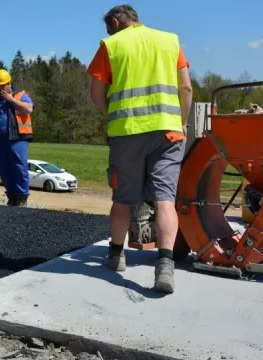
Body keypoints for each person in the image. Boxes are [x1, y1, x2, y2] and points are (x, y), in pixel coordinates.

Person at [86, 4, 193, 293]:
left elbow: (96, 93)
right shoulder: (170, 40)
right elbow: (186, 89)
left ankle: (117, 255)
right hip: (168, 133)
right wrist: (181, 123)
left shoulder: (110, 45)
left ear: (115, 22)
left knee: (123, 198)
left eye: (109, 27)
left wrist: (113, 116)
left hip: (127, 134)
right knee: (164, 200)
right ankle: (165, 265)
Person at [0, 69, 34, 206]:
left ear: (9, 83)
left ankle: (22, 197)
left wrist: (11, 100)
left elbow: (29, 109)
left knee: (19, 166)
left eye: (3, 85)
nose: (0, 88)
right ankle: (11, 194)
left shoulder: (20, 95)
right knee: (1, 167)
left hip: (17, 139)